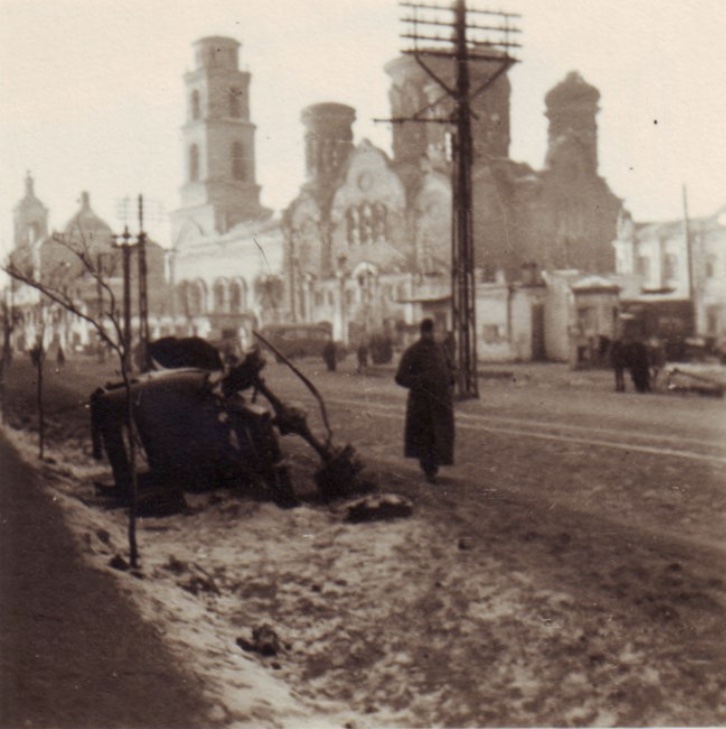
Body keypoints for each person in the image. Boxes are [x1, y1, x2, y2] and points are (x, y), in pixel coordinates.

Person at [395, 318, 454, 483]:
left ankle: (432, 468)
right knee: (426, 438)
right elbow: (400, 377)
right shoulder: (413, 352)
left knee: (440, 437)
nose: (437, 335)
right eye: (434, 331)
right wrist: (422, 381)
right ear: (425, 332)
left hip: (441, 402)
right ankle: (429, 470)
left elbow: (451, 368)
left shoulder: (441, 349)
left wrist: (451, 378)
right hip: (422, 404)